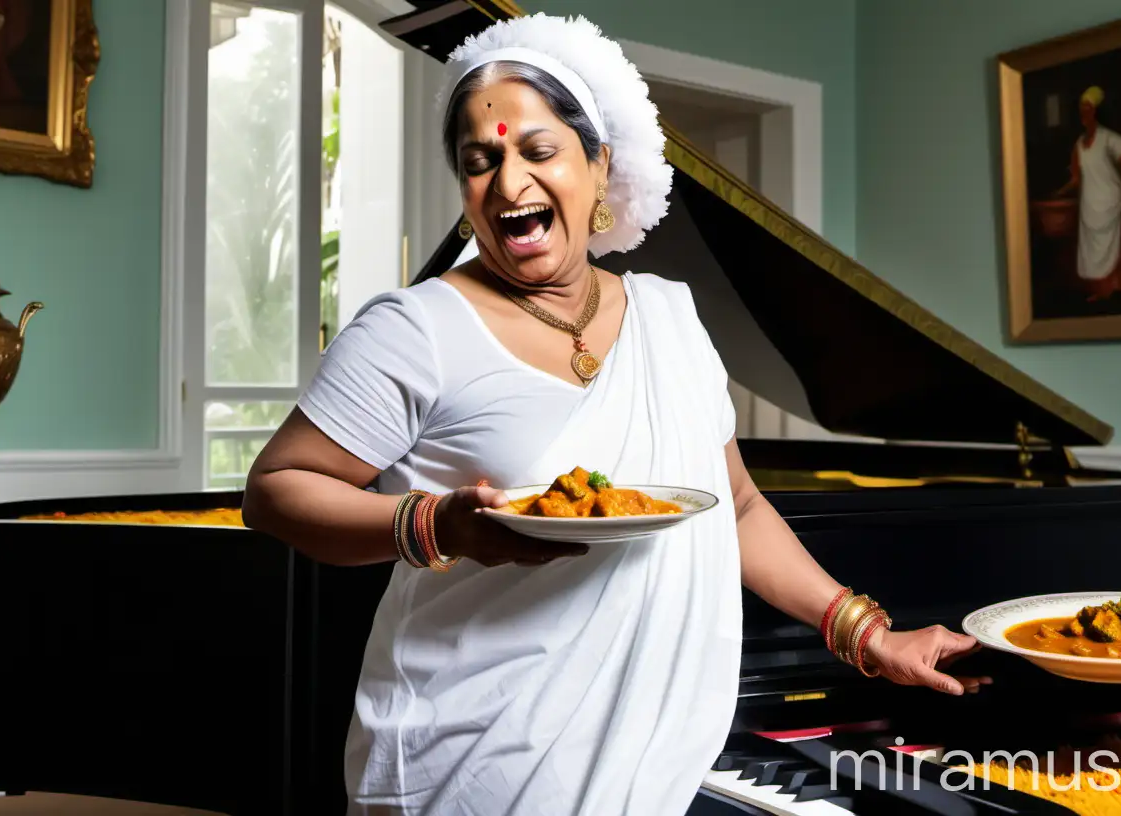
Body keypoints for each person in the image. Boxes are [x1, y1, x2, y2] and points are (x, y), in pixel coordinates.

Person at [243, 13, 988, 816]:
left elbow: (732, 505)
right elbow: (275, 489)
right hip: (473, 763)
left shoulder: (671, 316)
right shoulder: (414, 330)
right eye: (480, 160)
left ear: (599, 167)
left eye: (538, 151)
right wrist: (437, 527)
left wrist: (870, 637)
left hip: (650, 764)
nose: (508, 183)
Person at [1052, 85, 1121, 301]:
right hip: (1090, 204)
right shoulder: (1079, 144)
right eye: (1081, 108)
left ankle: (1114, 287)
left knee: (1116, 245)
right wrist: (1059, 192)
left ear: (1096, 111)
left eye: (1088, 108)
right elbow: (1076, 177)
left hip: (1109, 199)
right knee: (1091, 251)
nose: (1084, 113)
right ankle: (1099, 289)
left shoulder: (1109, 138)